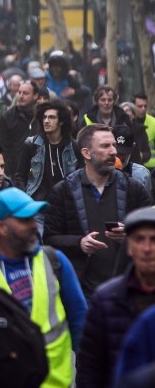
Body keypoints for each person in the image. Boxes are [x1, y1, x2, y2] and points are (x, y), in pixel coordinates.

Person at [0, 188, 87, 388]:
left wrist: (90, 376)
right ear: (1, 227)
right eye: (25, 219)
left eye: (34, 218)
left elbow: (80, 320)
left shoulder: (54, 261)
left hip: (51, 386)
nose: (34, 225)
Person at [73, 206, 155, 388]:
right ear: (129, 246)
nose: (147, 248)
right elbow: (90, 376)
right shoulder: (106, 299)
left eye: (153, 239)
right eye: (140, 239)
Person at [44, 124, 151, 296]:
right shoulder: (63, 191)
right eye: (105, 146)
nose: (113, 151)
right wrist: (79, 243)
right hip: (81, 289)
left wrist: (130, 235)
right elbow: (50, 238)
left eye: (114, 145)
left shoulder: (133, 189)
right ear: (86, 153)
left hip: (127, 288)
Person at [14, 100, 83, 200]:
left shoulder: (74, 147)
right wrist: (26, 198)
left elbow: (80, 177)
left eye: (52, 117)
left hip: (65, 203)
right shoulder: (32, 144)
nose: (46, 121)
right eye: (44, 117)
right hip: (37, 203)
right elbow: (20, 176)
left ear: (61, 121)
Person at [80, 85, 150, 164]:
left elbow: (133, 145)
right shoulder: (87, 119)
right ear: (97, 101)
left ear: (114, 102)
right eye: (103, 100)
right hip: (95, 163)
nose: (106, 103)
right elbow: (81, 145)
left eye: (110, 100)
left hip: (121, 165)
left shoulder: (124, 119)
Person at [0, 80, 39, 178]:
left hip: (38, 171)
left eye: (25, 93)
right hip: (15, 172)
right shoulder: (8, 117)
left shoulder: (42, 116)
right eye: (19, 92)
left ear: (35, 96)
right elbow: (2, 147)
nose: (21, 96)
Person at [112, 124, 152, 190]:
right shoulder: (99, 172)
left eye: (124, 153)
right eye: (117, 153)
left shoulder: (141, 174)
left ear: (133, 147)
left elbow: (146, 199)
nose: (120, 157)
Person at [132, 92, 155, 170]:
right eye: (140, 106)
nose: (143, 109)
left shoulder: (153, 122)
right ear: (133, 106)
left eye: (145, 106)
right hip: (134, 166)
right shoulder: (128, 121)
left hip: (152, 168)